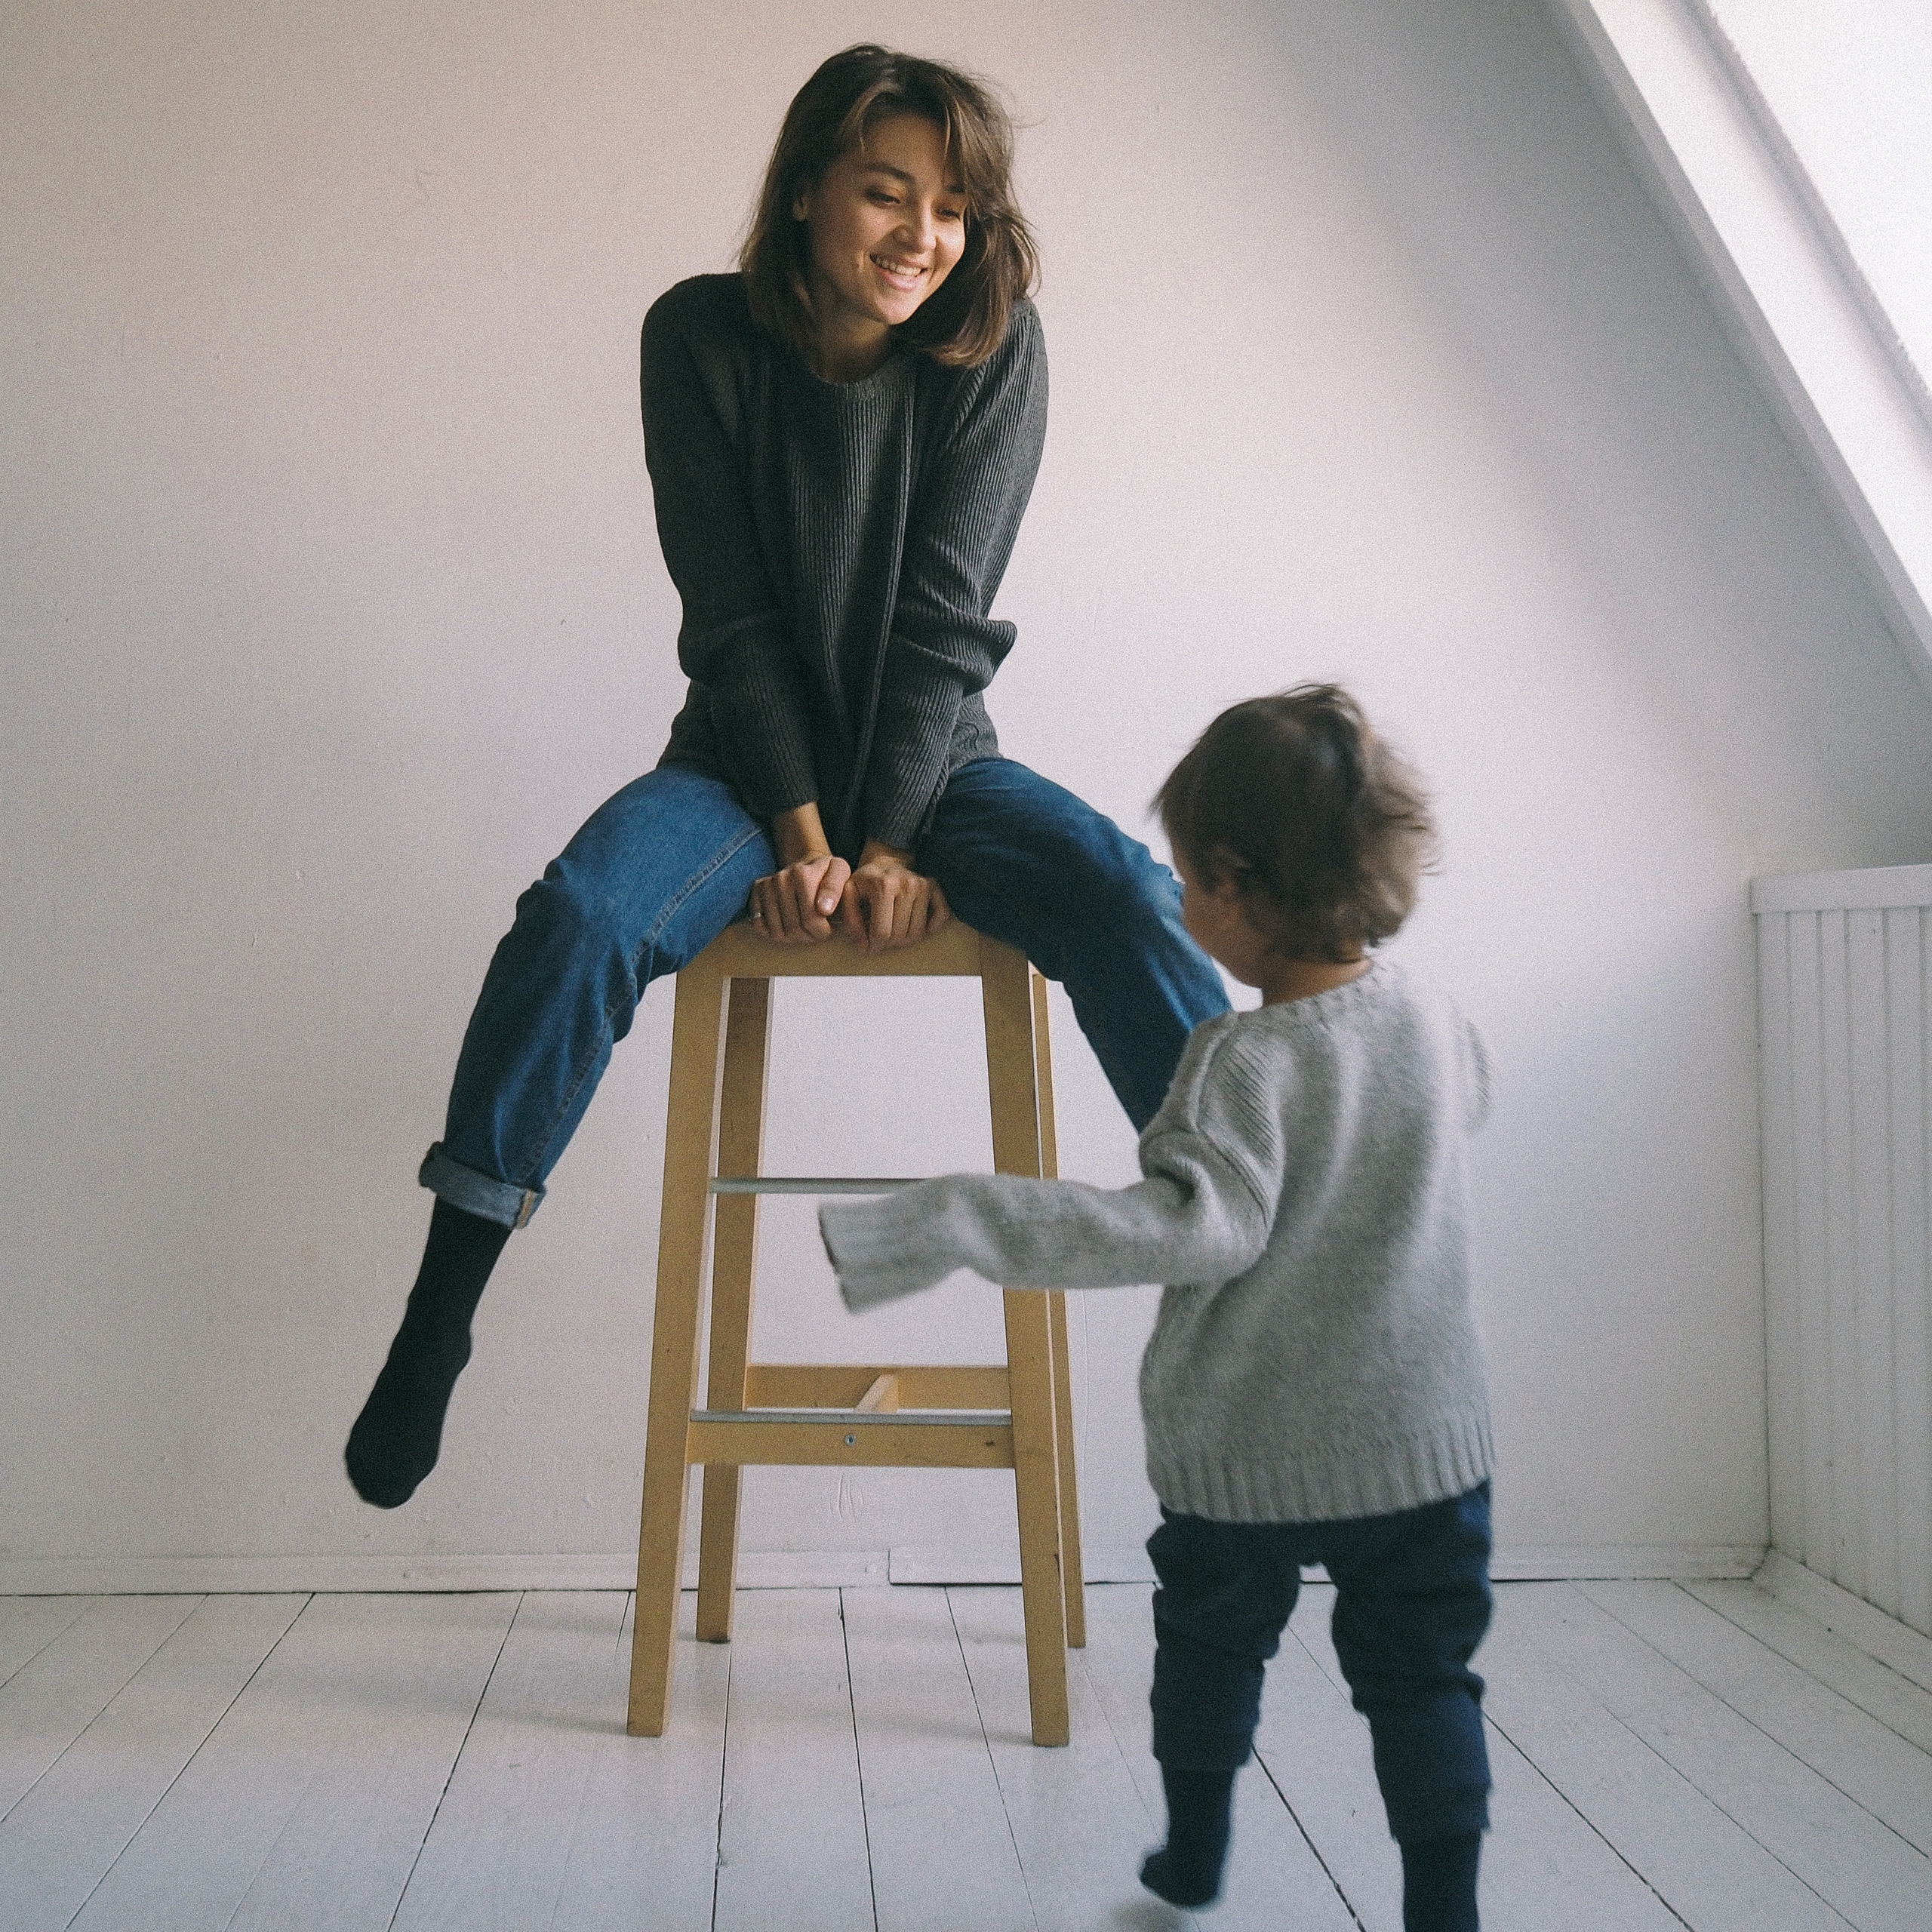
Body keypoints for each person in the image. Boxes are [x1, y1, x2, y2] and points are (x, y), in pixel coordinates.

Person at [343, 44, 1229, 1510]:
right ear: (807, 188)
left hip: (938, 770)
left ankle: (1257, 1247)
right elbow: (732, 617)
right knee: (579, 915)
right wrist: (804, 837)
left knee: (1126, 896)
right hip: (737, 776)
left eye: (952, 207)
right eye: (887, 193)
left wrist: (888, 843)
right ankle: (443, 1308)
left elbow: (942, 624)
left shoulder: (994, 347)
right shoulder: (695, 337)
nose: (922, 235)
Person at [821, 686, 1496, 1932]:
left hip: (1249, 1453)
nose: (1177, 903)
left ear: (1236, 887)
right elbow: (1464, 1116)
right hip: (1426, 1451)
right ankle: (1443, 1912)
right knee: (1424, 1684)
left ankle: (1191, 1856)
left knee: (1211, 1650)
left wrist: (957, 1218)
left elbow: (1185, 1229)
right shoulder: (1435, 1022)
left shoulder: (1240, 1065)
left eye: (1185, 879)